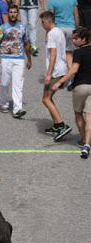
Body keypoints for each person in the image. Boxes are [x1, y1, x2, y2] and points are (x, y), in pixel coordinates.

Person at [52, 27, 91, 159]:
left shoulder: (79, 53)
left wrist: (59, 82)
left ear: (84, 40)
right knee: (90, 117)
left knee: (78, 114)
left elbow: (74, 70)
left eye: (76, 39)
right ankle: (87, 144)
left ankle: (83, 139)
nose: (73, 41)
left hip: (81, 87)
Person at [0, 4, 32, 117]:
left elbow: (27, 44)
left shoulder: (23, 27)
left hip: (19, 59)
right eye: (11, 12)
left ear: (18, 13)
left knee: (18, 84)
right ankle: (4, 103)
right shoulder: (3, 28)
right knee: (4, 83)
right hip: (5, 58)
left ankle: (17, 109)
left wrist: (29, 59)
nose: (13, 14)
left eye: (15, 12)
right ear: (8, 13)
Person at [40, 11, 72, 141]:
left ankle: (61, 125)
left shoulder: (52, 34)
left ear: (48, 21)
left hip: (55, 72)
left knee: (46, 99)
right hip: (61, 69)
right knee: (48, 98)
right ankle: (56, 125)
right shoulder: (58, 31)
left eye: (42, 22)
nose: (42, 25)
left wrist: (48, 74)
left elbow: (53, 55)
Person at [47, 0, 79, 69]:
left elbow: (50, 17)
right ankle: (70, 73)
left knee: (58, 53)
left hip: (58, 29)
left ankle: (60, 74)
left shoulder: (52, 1)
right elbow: (76, 15)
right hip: (71, 28)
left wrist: (48, 32)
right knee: (69, 53)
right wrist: (77, 29)